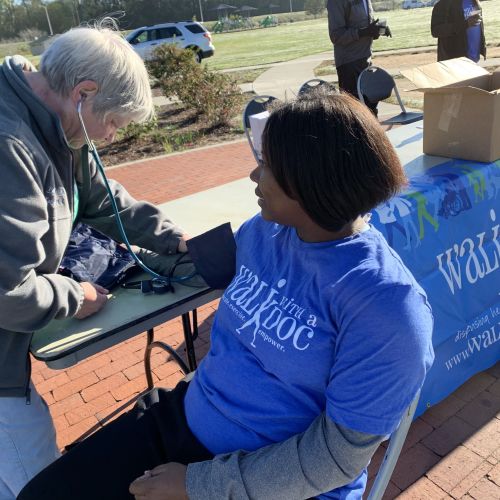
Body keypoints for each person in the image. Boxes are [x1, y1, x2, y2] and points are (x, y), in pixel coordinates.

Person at [18, 92, 434, 500]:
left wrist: (198, 486)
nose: (254, 177)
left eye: (266, 165)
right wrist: (125, 260)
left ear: (311, 181)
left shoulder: (387, 307)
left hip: (274, 480)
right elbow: (199, 266)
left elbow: (335, 458)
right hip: (188, 418)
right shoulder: (266, 231)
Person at [0, 24, 189, 499]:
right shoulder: (10, 145)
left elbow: (103, 199)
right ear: (85, 92)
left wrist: (175, 240)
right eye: (115, 123)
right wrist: (74, 294)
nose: (109, 136)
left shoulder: (58, 118)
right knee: (43, 483)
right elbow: (8, 293)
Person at [327, 0, 392, 115]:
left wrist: (378, 30)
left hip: (366, 59)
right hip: (349, 63)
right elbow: (336, 35)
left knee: (371, 110)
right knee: (354, 114)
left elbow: (365, 26)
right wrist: (364, 32)